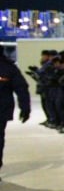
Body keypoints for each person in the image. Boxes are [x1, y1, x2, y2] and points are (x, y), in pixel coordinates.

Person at [0, 48, 32, 181]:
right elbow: (21, 87)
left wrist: (25, 107)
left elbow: (21, 87)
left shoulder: (8, 68)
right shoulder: (9, 67)